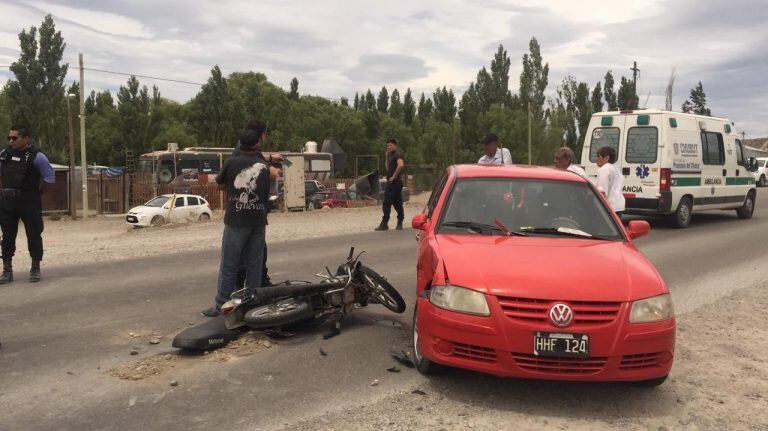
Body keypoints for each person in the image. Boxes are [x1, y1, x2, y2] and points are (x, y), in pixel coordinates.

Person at [202, 121, 274, 317]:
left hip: (236, 221)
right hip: (258, 221)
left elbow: (220, 184)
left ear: (240, 144)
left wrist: (231, 190)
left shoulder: (231, 162)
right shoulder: (265, 167)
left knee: (229, 264)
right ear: (258, 143)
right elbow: (266, 193)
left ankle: (220, 306)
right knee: (254, 264)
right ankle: (251, 304)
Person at [0, 126, 55, 284]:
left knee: (34, 234)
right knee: (7, 237)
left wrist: (36, 194)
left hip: (29, 202)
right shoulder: (4, 155)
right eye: (9, 138)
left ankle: (35, 268)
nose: (11, 141)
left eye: (14, 138)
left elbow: (49, 179)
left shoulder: (37, 157)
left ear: (25, 139)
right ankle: (7, 270)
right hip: (8, 202)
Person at [232, 120, 281, 291]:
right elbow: (271, 173)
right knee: (255, 247)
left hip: (241, 208)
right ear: (261, 135)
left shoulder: (242, 148)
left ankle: (246, 282)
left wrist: (269, 157)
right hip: (252, 209)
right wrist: (274, 169)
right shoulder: (246, 152)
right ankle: (255, 283)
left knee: (247, 247)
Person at [375, 138, 404, 231]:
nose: (388, 147)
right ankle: (399, 223)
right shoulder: (391, 156)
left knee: (386, 203)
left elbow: (401, 165)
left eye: (390, 145)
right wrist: (387, 157)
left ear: (395, 146)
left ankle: (384, 224)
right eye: (387, 146)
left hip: (394, 183)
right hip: (393, 183)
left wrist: (394, 176)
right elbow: (388, 168)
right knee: (397, 203)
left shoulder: (397, 155)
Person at [595, 146, 625, 216]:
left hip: (609, 207)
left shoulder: (604, 169)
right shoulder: (616, 170)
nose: (596, 159)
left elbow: (602, 192)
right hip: (618, 206)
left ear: (606, 158)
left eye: (598, 156)